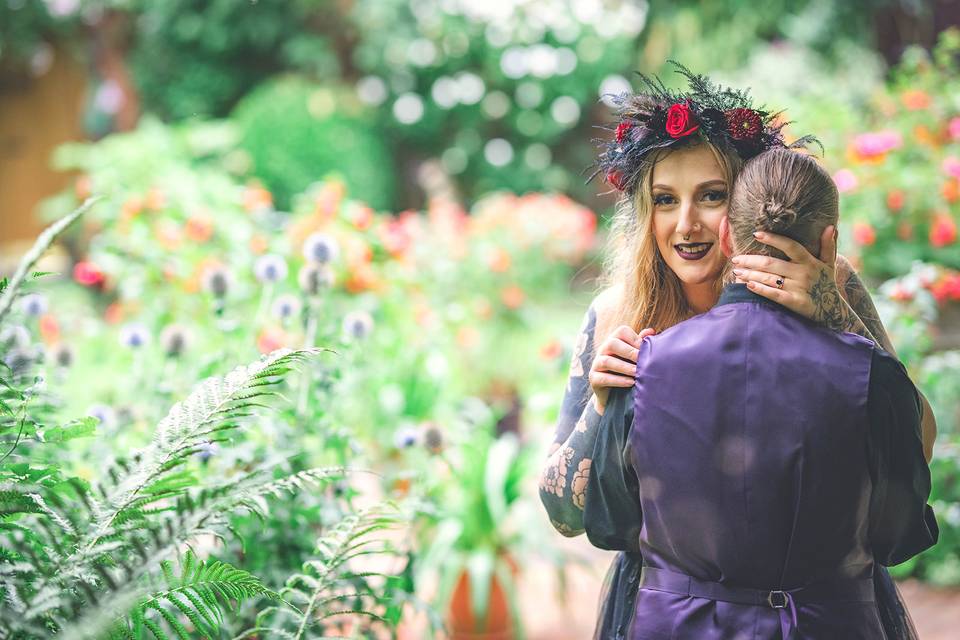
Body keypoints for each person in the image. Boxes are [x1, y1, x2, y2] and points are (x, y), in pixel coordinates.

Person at [538, 63, 938, 639]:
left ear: (745, 205)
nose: (687, 223)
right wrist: (602, 409)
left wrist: (836, 312)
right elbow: (565, 515)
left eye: (712, 196)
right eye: (666, 200)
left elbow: (915, 438)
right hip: (675, 604)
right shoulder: (615, 314)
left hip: (818, 599)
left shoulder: (830, 282)